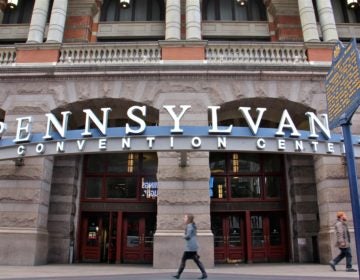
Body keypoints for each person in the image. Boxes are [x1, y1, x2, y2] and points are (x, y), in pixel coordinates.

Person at [173, 214, 207, 279]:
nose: (184, 218)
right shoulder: (193, 225)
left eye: (185, 217)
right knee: (196, 260)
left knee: (183, 260)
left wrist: (183, 236)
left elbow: (188, 236)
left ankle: (178, 275)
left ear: (189, 219)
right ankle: (204, 274)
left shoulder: (189, 225)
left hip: (190, 247)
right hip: (194, 246)